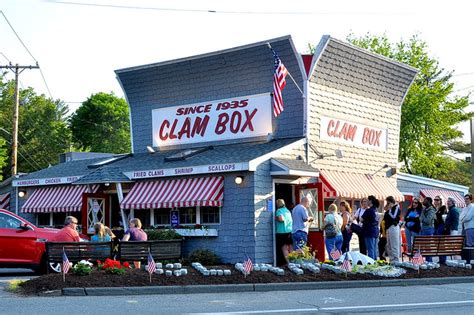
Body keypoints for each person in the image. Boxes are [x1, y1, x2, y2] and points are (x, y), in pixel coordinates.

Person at [439, 197, 461, 264]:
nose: (448, 202)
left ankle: (455, 261)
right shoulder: (451, 210)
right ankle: (454, 260)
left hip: (453, 229)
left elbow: (455, 220)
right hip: (451, 229)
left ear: (452, 203)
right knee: (452, 245)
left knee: (453, 245)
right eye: (447, 201)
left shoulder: (453, 210)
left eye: (449, 201)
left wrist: (448, 227)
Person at [275, 199, 293, 266]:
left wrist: (276, 218)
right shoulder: (288, 211)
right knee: (290, 247)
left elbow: (281, 219)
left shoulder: (279, 211)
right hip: (289, 231)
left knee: (284, 248)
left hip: (282, 232)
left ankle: (288, 263)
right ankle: (292, 261)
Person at [361, 195, 380, 260]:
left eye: (367, 200)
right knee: (374, 249)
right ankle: (375, 263)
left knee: (370, 249)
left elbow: (361, 219)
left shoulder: (369, 210)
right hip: (375, 231)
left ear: (370, 201)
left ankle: (371, 264)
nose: (367, 202)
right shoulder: (376, 210)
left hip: (369, 232)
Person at [383, 196, 401, 262]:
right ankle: (391, 260)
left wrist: (389, 210)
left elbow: (393, 217)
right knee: (389, 245)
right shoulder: (390, 209)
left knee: (394, 245)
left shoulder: (396, 207)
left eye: (388, 203)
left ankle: (396, 260)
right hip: (388, 227)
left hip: (393, 227)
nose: (387, 205)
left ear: (391, 202)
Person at [420, 197, 436, 262]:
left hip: (429, 229)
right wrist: (423, 217)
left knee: (428, 247)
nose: (423, 201)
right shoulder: (424, 209)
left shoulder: (431, 210)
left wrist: (423, 214)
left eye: (425, 200)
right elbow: (420, 219)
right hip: (423, 229)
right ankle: (424, 261)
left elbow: (427, 221)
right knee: (422, 246)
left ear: (429, 201)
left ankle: (429, 262)